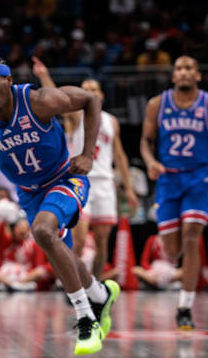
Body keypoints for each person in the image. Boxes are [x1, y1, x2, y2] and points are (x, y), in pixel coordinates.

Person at [0, 56, 119, 355]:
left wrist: (88, 153)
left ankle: (85, 317)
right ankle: (99, 293)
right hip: (28, 193)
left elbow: (91, 100)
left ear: (8, 81)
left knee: (42, 231)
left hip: (64, 179)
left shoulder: (38, 100)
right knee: (56, 247)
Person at [140, 55, 208, 329]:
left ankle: (185, 306)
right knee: (172, 249)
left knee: (192, 237)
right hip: (168, 179)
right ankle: (183, 279)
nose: (183, 72)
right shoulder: (156, 104)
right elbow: (146, 141)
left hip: (199, 177)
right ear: (173, 76)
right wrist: (150, 162)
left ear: (198, 75)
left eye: (189, 68)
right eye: (178, 68)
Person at [32, 58, 139, 280]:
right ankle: (75, 284)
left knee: (102, 242)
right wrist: (44, 76)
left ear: (101, 95)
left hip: (105, 183)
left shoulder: (112, 122)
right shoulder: (76, 115)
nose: (91, 92)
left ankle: (97, 286)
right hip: (80, 181)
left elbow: (119, 156)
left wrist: (129, 189)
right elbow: (55, 98)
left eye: (94, 89)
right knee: (79, 239)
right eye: (86, 90)